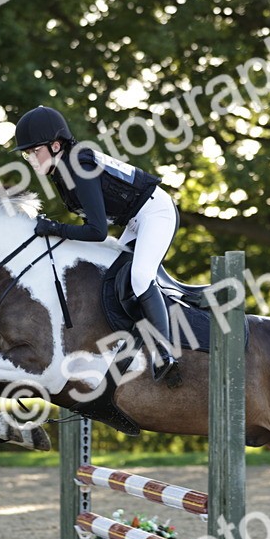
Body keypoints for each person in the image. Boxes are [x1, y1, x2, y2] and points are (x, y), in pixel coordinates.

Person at [13, 105, 180, 384]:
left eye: (34, 151)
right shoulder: (62, 171)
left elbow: (97, 231)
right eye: (27, 153)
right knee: (109, 278)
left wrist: (54, 229)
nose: (30, 158)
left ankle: (166, 354)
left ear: (56, 145)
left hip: (156, 212)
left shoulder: (79, 166)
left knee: (140, 277)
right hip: (134, 221)